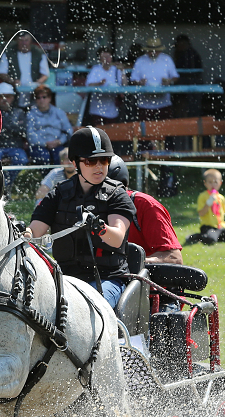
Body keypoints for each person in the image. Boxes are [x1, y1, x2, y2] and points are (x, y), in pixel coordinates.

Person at [25, 126, 136, 309]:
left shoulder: (117, 194)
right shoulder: (58, 194)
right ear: (75, 163)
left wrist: (99, 227)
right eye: (91, 161)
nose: (99, 166)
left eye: (104, 160)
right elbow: (35, 232)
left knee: (87, 308)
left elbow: (116, 238)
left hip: (107, 279)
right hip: (64, 278)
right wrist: (24, 233)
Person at [108, 156, 183, 264]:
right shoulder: (80, 207)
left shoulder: (145, 205)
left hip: (138, 278)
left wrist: (134, 263)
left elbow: (174, 258)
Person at [0, 31, 49, 108]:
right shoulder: (9, 52)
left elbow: (45, 74)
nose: (24, 43)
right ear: (17, 41)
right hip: (14, 90)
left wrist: (36, 84)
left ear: (30, 41)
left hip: (33, 91)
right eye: (21, 40)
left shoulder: (38, 53)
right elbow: (2, 73)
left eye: (26, 40)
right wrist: (12, 81)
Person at [186, 169, 225, 245]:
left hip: (221, 227)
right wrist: (208, 203)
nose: (213, 185)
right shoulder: (203, 196)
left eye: (215, 182)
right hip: (208, 227)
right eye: (210, 182)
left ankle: (215, 237)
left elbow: (222, 214)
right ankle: (197, 236)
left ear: (220, 183)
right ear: (205, 183)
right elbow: (201, 213)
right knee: (210, 240)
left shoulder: (221, 198)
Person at [129, 37, 179, 121]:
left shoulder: (167, 59)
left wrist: (169, 81)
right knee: (144, 131)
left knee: (165, 130)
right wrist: (139, 82)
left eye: (156, 51)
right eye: (151, 51)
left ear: (160, 50)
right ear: (147, 50)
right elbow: (133, 80)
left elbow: (175, 77)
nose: (154, 53)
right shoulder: (140, 61)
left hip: (164, 103)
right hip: (144, 104)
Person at [27, 85, 74, 165]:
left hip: (58, 144)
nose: (41, 100)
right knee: (43, 157)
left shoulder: (59, 112)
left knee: (60, 156)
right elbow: (30, 134)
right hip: (39, 146)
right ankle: (47, 177)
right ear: (35, 100)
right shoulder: (31, 114)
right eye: (38, 98)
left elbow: (68, 131)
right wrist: (45, 143)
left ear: (49, 98)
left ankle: (60, 177)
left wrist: (59, 141)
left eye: (44, 97)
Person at [85, 46, 124, 126]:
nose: (107, 59)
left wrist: (122, 71)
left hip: (112, 109)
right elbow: (88, 85)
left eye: (108, 56)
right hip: (97, 109)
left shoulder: (116, 69)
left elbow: (124, 85)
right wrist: (99, 83)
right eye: (104, 57)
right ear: (99, 59)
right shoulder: (95, 69)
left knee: (111, 134)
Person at [172, 34, 202, 118]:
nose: (178, 46)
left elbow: (194, 71)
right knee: (180, 104)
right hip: (181, 84)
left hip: (191, 83)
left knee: (191, 106)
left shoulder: (191, 54)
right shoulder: (179, 53)